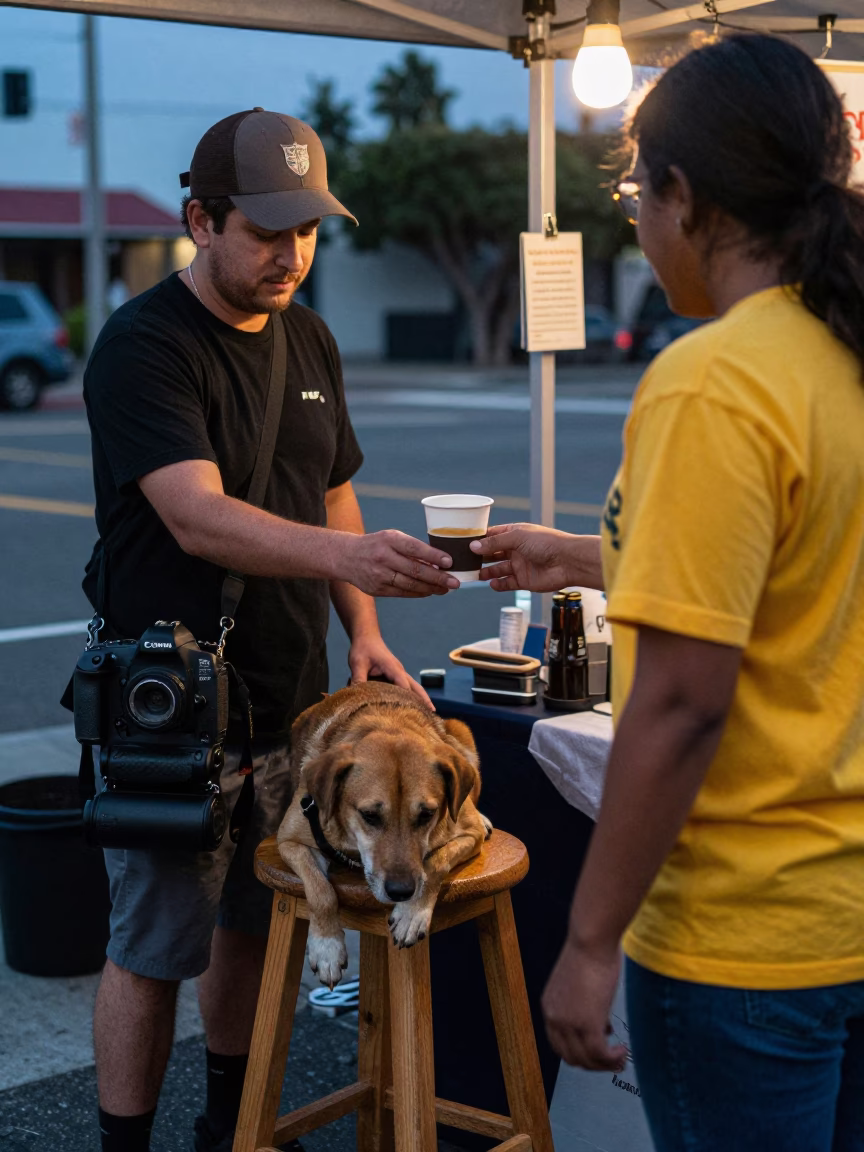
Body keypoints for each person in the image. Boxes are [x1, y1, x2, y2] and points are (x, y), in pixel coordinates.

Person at [472, 35, 864, 1151]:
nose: (639, 232)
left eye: (642, 196)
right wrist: (581, 554)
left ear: (685, 196)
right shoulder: (842, 354)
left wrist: (590, 942)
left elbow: (686, 700)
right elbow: (802, 584)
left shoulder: (715, 379)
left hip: (742, 941)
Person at [81, 109, 458, 1152]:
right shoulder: (143, 346)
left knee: (253, 925)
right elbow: (197, 516)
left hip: (289, 701)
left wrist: (365, 631)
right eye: (266, 231)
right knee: (153, 946)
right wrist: (351, 557)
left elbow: (331, 486)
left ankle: (229, 1126)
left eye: (307, 230)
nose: (291, 253)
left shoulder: (311, 334)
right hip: (169, 710)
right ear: (201, 220)